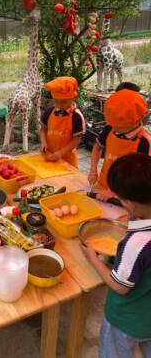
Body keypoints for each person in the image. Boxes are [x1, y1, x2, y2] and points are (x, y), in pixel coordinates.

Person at [82, 153, 151, 358]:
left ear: (129, 204)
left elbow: (120, 286)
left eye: (119, 198)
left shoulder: (138, 243)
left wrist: (92, 258)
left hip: (126, 319)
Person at [88, 89, 151, 201]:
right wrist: (93, 170)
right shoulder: (110, 129)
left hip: (125, 196)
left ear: (136, 121)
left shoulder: (144, 142)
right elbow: (97, 148)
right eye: (112, 124)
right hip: (102, 186)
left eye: (119, 126)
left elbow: (141, 180)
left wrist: (115, 194)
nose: (114, 128)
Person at [40, 76, 85, 167]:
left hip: (68, 160)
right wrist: (43, 142)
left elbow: (76, 140)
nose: (59, 105)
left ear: (73, 98)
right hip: (49, 156)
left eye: (64, 102)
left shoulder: (76, 117)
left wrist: (60, 153)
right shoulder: (49, 111)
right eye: (56, 101)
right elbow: (43, 129)